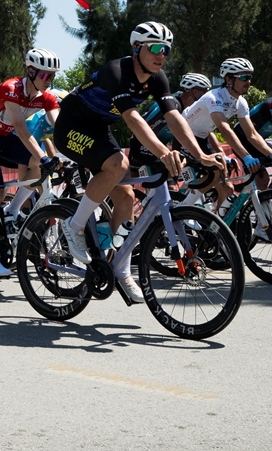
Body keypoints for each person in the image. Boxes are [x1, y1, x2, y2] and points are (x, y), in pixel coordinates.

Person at [53, 22, 221, 303]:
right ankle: (74, 225)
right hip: (71, 126)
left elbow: (174, 117)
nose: (161, 55)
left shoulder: (157, 78)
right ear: (136, 48)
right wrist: (163, 152)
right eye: (155, 48)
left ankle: (120, 268)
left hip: (99, 129)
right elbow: (132, 118)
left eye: (165, 49)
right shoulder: (116, 71)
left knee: (127, 198)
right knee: (118, 164)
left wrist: (201, 155)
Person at [0, 48, 63, 278]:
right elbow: (21, 129)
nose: (48, 80)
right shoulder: (10, 89)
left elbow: (61, 129)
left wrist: (72, 156)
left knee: (37, 166)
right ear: (30, 71)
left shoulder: (46, 97)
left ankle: (12, 210)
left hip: (5, 138)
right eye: (45, 75)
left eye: (52, 76)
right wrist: (44, 156)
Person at [183, 59, 272, 215]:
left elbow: (252, 134)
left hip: (202, 138)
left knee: (228, 189)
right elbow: (225, 129)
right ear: (229, 79)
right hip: (185, 137)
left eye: (249, 77)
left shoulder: (240, 102)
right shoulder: (214, 98)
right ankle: (183, 208)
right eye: (243, 78)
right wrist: (246, 157)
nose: (248, 82)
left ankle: (216, 224)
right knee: (216, 171)